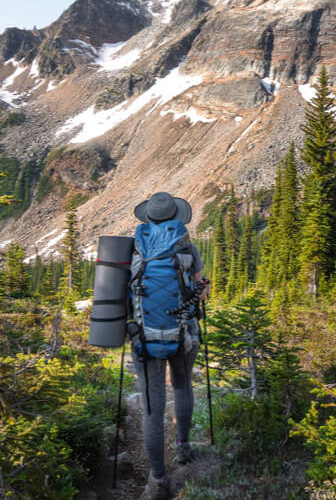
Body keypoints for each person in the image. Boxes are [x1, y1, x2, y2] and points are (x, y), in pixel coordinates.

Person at [129, 192, 208, 500]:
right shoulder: (188, 249)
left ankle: (158, 478)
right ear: (177, 217)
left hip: (144, 339)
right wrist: (201, 291)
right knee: (183, 385)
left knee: (152, 406)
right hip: (184, 333)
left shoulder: (134, 249)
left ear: (148, 219)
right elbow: (199, 293)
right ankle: (183, 448)